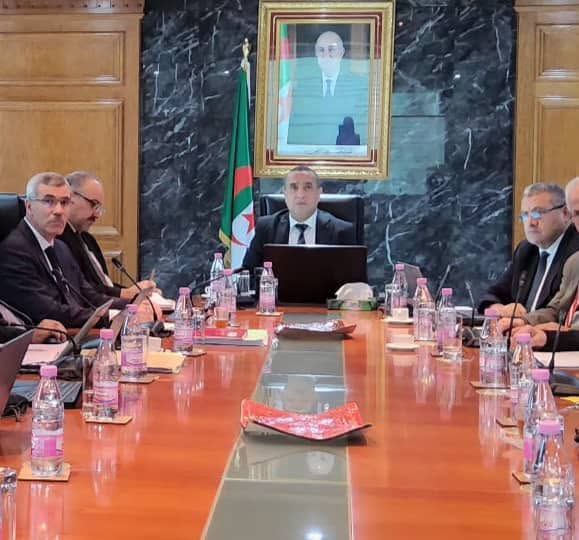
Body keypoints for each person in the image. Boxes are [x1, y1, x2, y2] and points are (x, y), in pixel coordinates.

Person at [0, 172, 131, 328]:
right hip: (52, 338)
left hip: (79, 332)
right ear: (29, 207)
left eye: (64, 202)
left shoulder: (61, 248)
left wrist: (131, 306)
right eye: (49, 201)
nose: (59, 211)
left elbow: (90, 296)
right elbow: (49, 312)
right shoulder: (14, 251)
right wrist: (113, 316)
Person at [478, 183, 579, 317]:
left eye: (538, 213)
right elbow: (492, 294)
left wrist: (525, 322)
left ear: (565, 214)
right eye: (525, 215)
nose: (530, 223)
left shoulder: (575, 252)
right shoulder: (526, 250)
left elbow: (559, 313)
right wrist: (499, 309)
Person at [59, 171, 155, 299]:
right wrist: (126, 294)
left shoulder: (88, 239)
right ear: (70, 196)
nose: (97, 215)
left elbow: (103, 285)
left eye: (99, 208)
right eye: (93, 204)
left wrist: (135, 292)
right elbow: (82, 289)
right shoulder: (58, 240)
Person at [508, 177, 579, 349]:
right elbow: (556, 311)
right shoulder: (575, 262)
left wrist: (551, 337)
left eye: (537, 213)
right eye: (577, 214)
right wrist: (522, 322)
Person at [242, 166, 356, 270]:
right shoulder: (266, 228)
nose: (300, 195)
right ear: (285, 193)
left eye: (308, 187)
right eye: (294, 187)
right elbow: (248, 272)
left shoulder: (341, 231)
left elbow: (354, 278)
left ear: (319, 193)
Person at [286, 30, 369, 146]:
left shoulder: (357, 85)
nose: (326, 56)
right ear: (315, 53)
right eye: (321, 50)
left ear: (341, 52)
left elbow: (364, 133)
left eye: (331, 49)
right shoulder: (304, 86)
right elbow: (296, 133)